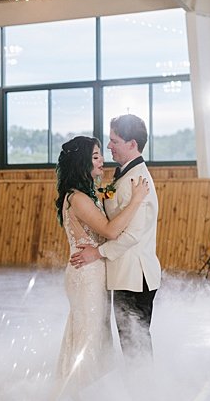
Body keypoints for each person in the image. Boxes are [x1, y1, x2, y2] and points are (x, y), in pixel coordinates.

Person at [54, 134, 151, 383]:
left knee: (96, 333)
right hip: (86, 274)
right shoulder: (77, 198)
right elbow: (109, 231)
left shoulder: (87, 194)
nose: (102, 160)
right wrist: (136, 200)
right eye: (96, 156)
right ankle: (83, 394)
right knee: (90, 336)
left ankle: (94, 392)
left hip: (95, 272)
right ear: (81, 162)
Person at [70, 113, 161, 359]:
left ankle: (146, 394)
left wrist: (97, 253)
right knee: (131, 345)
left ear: (132, 144)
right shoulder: (125, 174)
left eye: (114, 141)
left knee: (135, 347)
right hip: (125, 274)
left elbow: (131, 235)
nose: (108, 146)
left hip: (134, 276)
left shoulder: (136, 178)